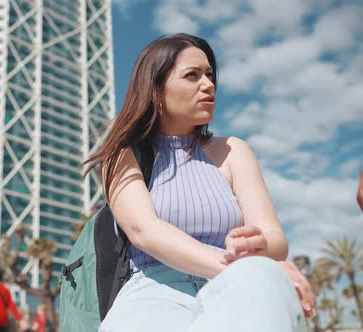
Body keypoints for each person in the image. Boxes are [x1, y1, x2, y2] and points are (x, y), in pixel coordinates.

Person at [83, 33, 315, 332]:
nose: (208, 84)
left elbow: (276, 240)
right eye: (192, 75)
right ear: (155, 89)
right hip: (152, 293)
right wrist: (244, 267)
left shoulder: (234, 151)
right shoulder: (122, 153)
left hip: (237, 288)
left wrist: (259, 248)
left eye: (209, 75)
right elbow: (145, 231)